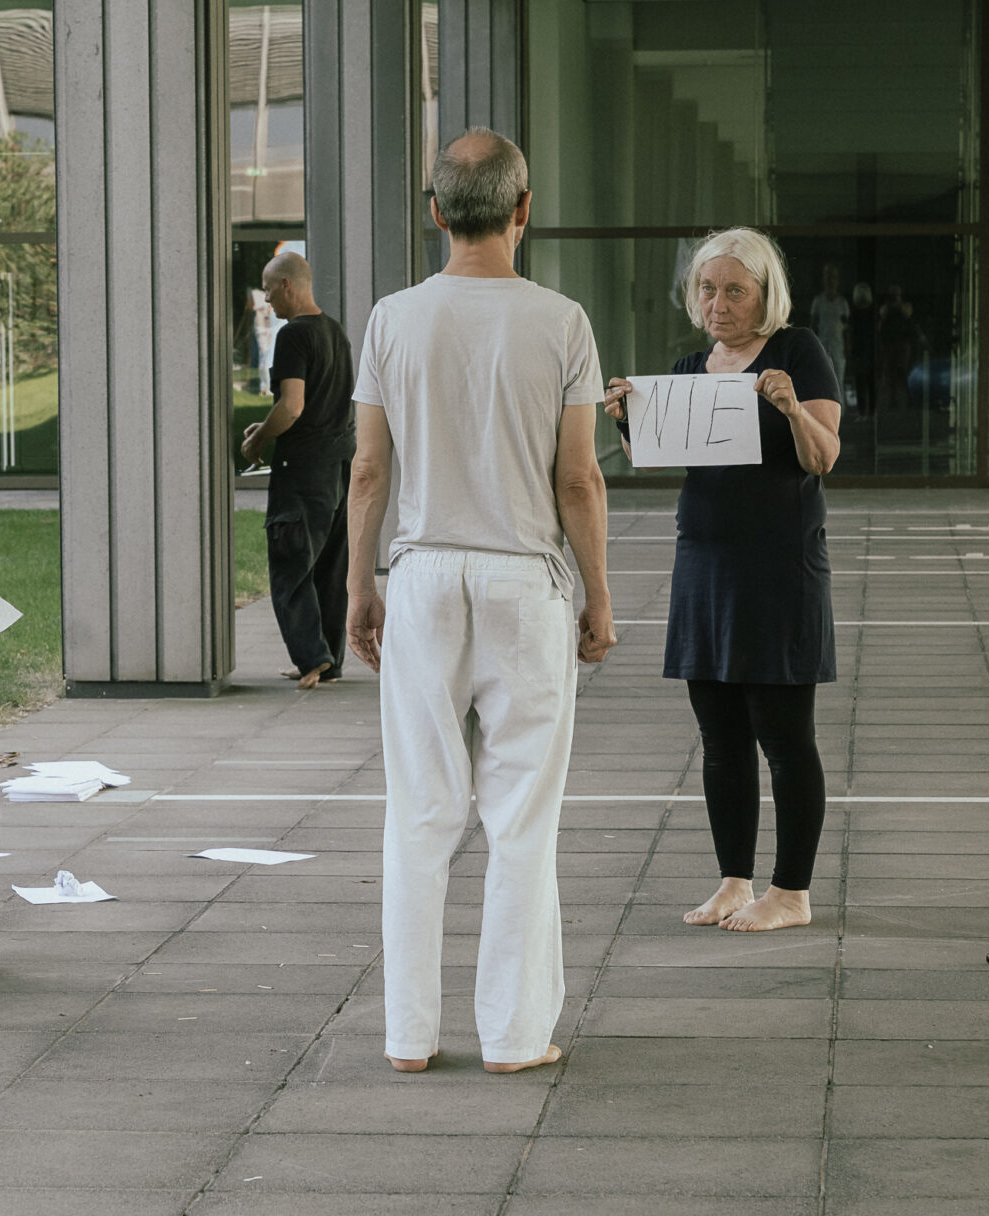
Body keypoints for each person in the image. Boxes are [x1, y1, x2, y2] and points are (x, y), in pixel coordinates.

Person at [347, 126, 616, 1074]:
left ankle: (409, 1037)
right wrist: (599, 597)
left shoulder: (391, 319)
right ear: (523, 209)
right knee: (520, 818)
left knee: (419, 814)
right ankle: (510, 1035)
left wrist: (359, 588)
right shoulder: (562, 322)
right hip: (523, 579)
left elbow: (370, 469)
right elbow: (578, 479)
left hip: (421, 575)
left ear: (434, 213)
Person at [604, 226, 840, 933]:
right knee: (720, 737)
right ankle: (735, 881)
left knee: (783, 735)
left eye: (735, 290)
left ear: (765, 295)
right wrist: (625, 420)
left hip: (778, 572)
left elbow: (824, 457)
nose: (719, 302)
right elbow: (658, 459)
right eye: (708, 288)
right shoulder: (686, 368)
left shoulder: (798, 352)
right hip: (704, 566)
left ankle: (792, 894)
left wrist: (791, 407)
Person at [241, 252, 355, 689]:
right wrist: (269, 423)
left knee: (290, 566)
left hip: (303, 470)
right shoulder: (334, 332)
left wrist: (258, 439)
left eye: (269, 290)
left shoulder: (293, 337)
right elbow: (321, 404)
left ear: (288, 285)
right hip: (338, 465)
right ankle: (327, 658)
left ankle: (311, 657)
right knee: (329, 567)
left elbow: (291, 406)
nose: (267, 300)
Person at [808, 262, 850, 391]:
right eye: (827, 276)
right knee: (822, 381)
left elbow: (847, 328)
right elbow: (813, 326)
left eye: (833, 277)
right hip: (822, 347)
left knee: (839, 381)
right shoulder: (818, 302)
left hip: (838, 348)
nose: (830, 280)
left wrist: (848, 346)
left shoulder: (842, 303)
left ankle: (841, 411)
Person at [848, 281, 876, 415]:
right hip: (864, 350)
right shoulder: (864, 314)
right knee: (866, 382)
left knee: (865, 381)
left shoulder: (856, 314)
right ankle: (867, 412)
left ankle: (865, 412)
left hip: (864, 350)